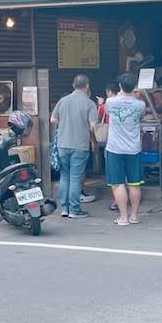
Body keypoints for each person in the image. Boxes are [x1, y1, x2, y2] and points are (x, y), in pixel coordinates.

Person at [50, 74, 98, 219]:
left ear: (73, 85)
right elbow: (93, 126)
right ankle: (74, 210)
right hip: (80, 145)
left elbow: (53, 120)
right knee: (76, 178)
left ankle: (64, 208)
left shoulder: (63, 101)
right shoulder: (89, 103)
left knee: (64, 176)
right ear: (87, 86)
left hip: (63, 144)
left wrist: (65, 124)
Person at [105, 72, 147, 226]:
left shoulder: (110, 102)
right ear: (134, 87)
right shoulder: (140, 104)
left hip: (115, 148)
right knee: (134, 183)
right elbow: (141, 117)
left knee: (118, 183)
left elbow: (107, 113)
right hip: (134, 148)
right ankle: (134, 216)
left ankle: (123, 217)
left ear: (120, 86)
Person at [97, 82, 118, 210]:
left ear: (109, 91)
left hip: (111, 142)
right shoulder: (128, 103)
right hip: (128, 144)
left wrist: (100, 104)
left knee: (113, 173)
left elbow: (98, 118)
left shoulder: (106, 105)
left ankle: (116, 200)